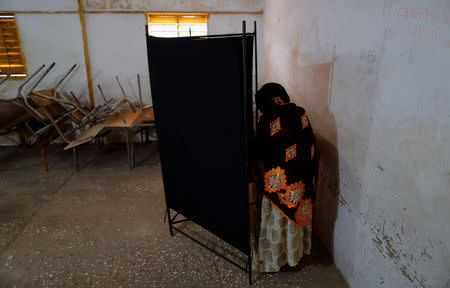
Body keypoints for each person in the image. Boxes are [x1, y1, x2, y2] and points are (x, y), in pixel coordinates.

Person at [255, 82, 319, 272]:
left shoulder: (268, 121)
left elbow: (261, 152)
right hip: (301, 186)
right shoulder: (301, 114)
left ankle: (274, 261)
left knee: (276, 221)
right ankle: (294, 256)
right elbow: (311, 149)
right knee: (293, 223)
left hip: (278, 189)